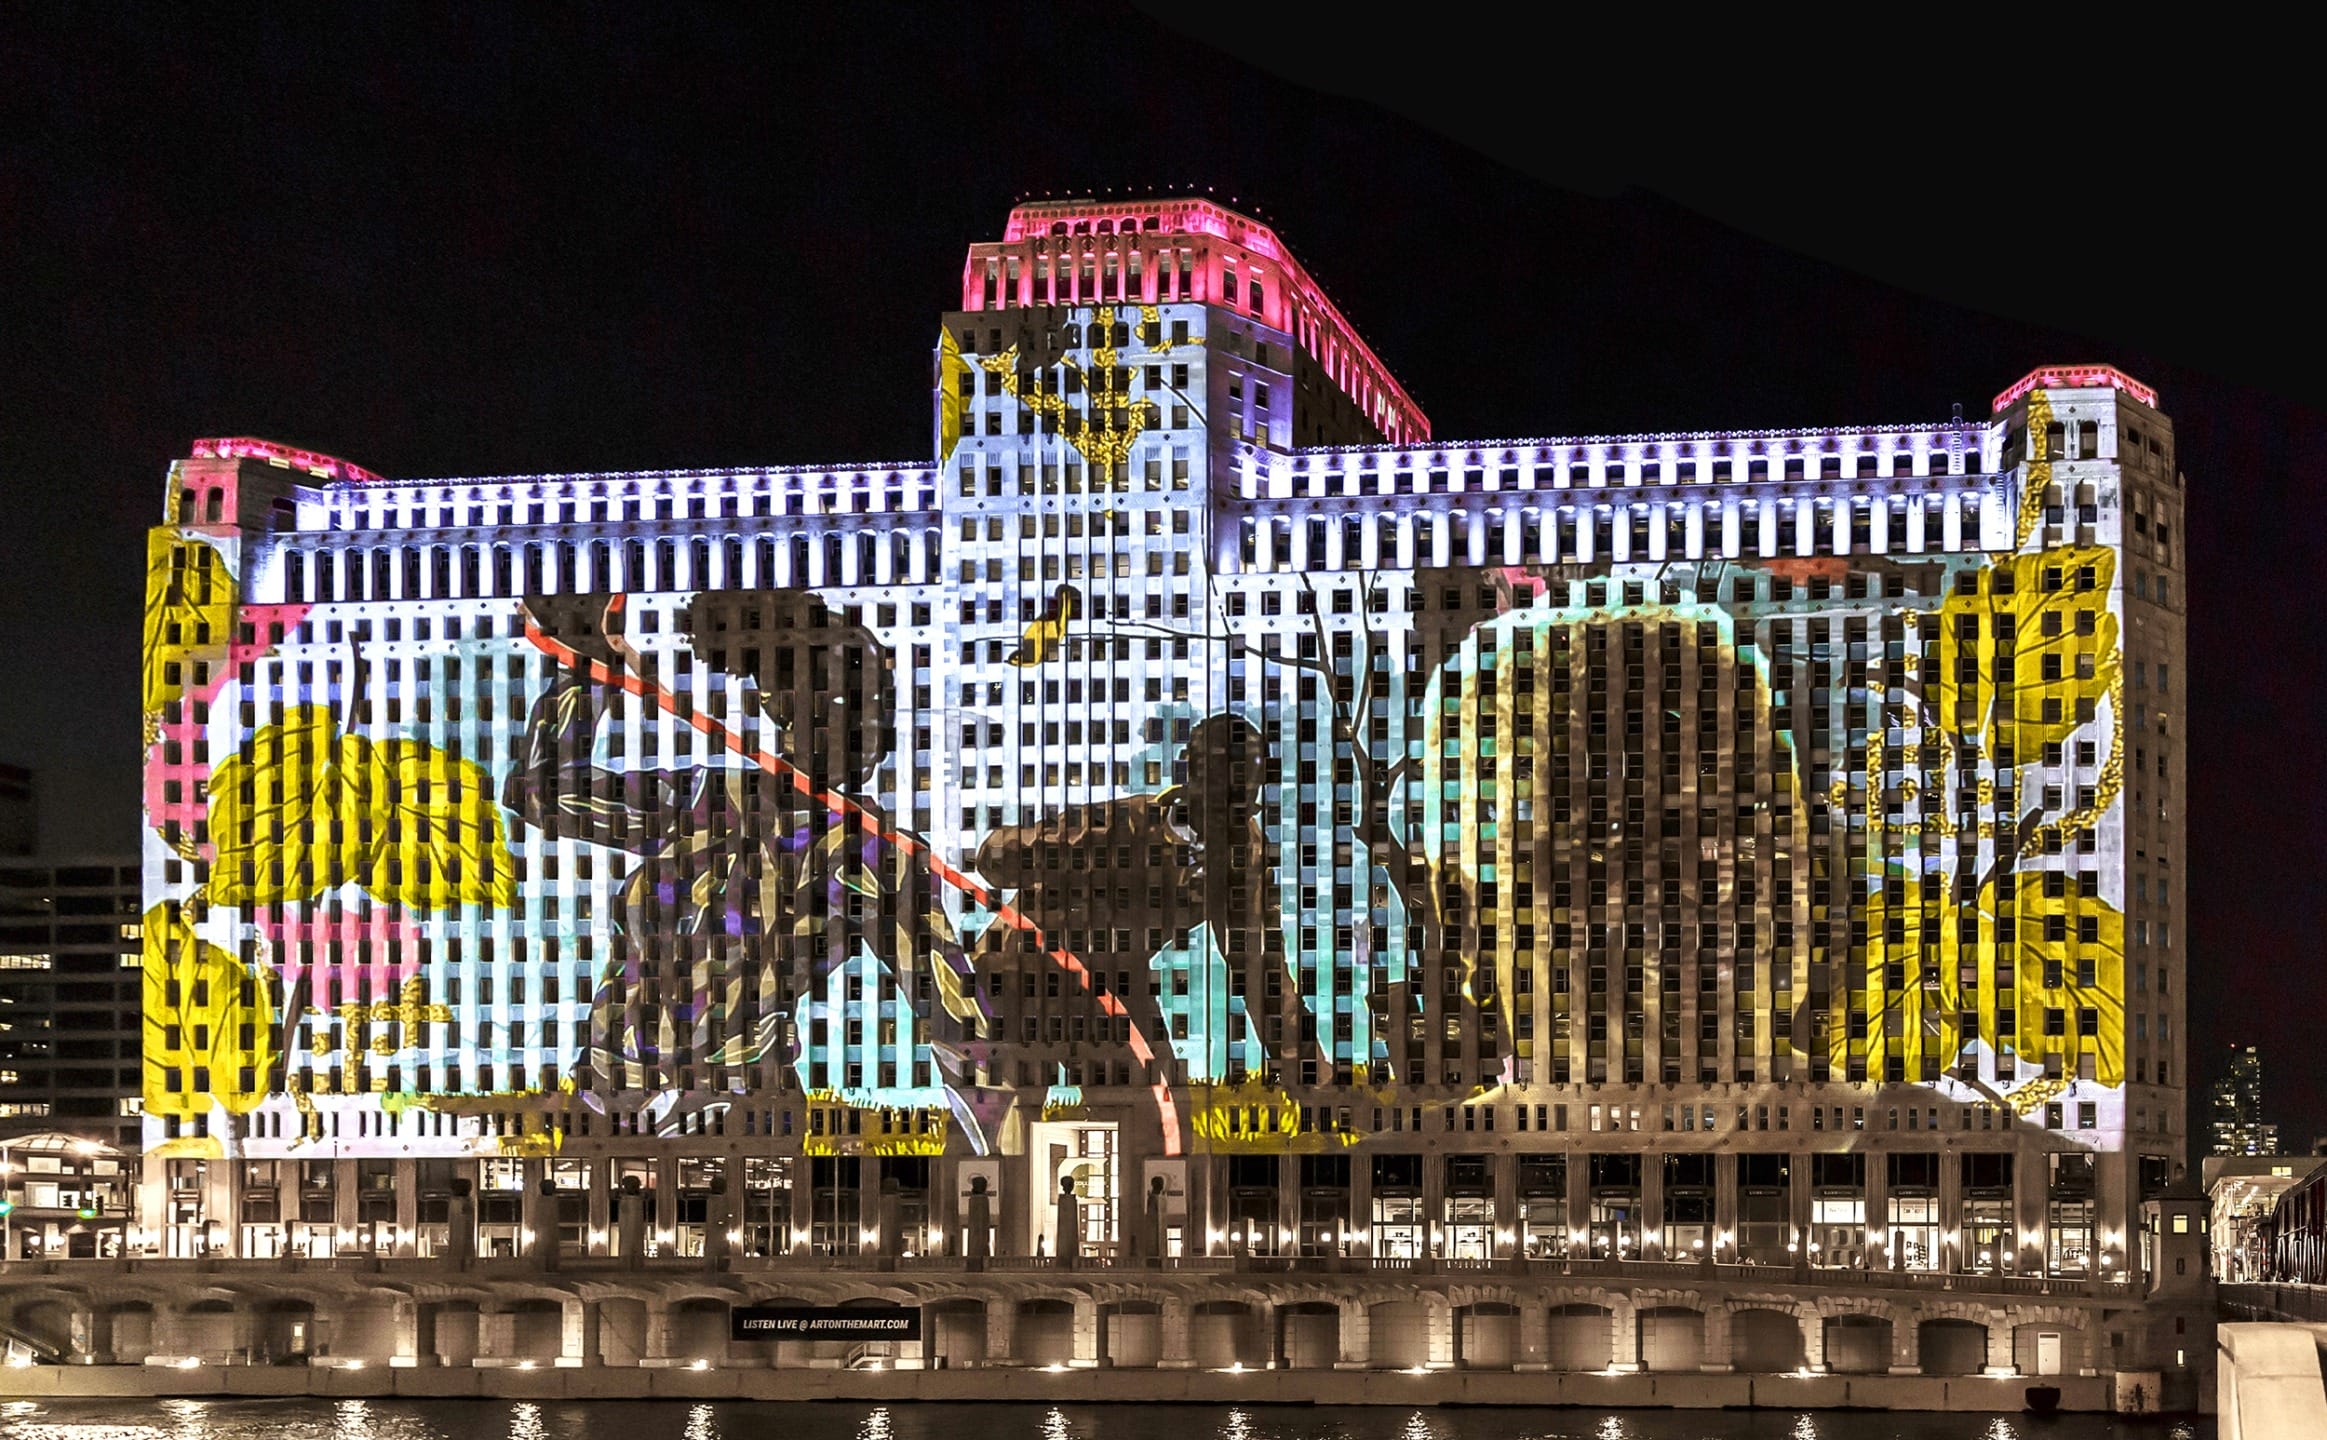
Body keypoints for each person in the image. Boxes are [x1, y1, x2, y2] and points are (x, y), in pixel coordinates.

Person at [504, 589, 1009, 1150]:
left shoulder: (877, 858)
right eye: (807, 705)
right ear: (779, 708)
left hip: (738, 1117)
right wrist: (589, 669)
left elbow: (964, 1027)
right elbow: (542, 794)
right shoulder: (707, 798)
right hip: (605, 1102)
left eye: (854, 711)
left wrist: (974, 1178)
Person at [969, 714, 1304, 1099]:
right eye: (1218, 804)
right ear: (1191, 781)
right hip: (1021, 969)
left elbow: (1260, 966)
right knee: (1010, 1114)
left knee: (1157, 1107)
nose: (1226, 826)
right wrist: (1028, 854)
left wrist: (1310, 1078)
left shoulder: (1244, 855)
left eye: (1241, 809)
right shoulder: (1118, 824)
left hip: (1114, 977)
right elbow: (994, 856)